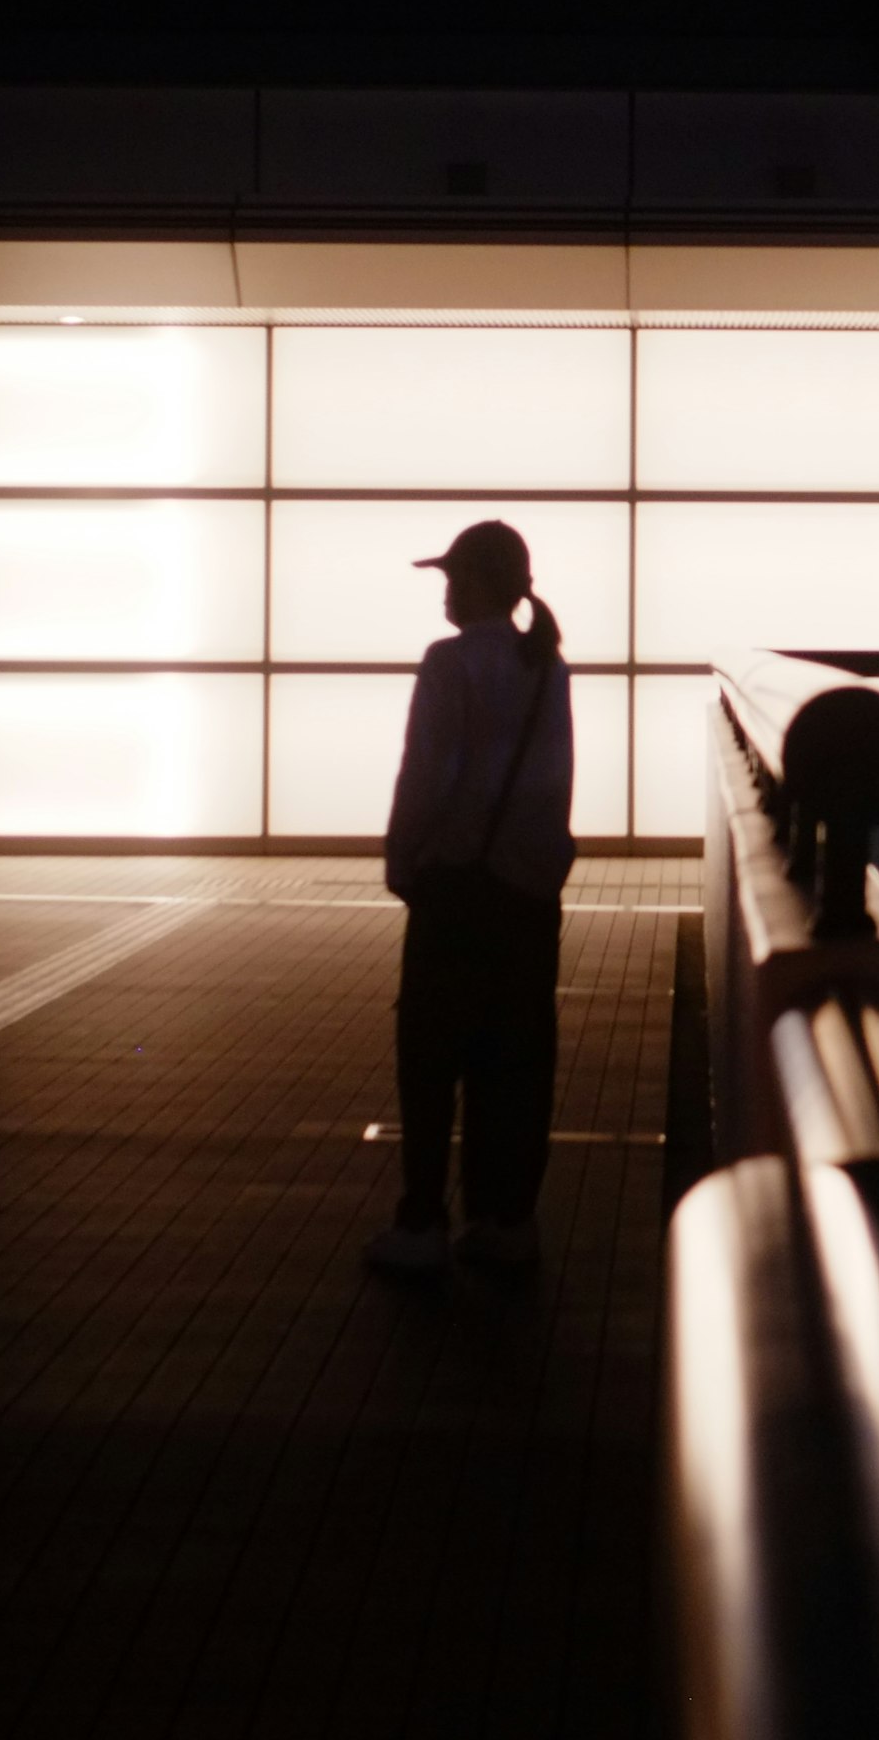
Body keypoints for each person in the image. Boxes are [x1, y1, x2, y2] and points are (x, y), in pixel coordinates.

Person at [365, 519, 575, 1279]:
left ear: (488, 585)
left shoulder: (448, 664)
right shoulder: (548, 667)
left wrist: (402, 856)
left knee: (430, 1057)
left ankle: (423, 1221)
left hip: (455, 888)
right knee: (513, 1060)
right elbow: (554, 782)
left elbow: (427, 772)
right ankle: (505, 1217)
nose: (447, 592)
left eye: (456, 578)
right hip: (526, 895)